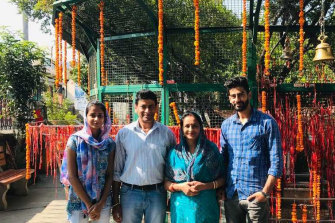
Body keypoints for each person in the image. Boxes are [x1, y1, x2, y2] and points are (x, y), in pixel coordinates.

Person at [220, 76, 283, 223]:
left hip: (256, 195)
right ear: (229, 99)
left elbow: (277, 162)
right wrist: (221, 188)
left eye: (241, 94)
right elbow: (223, 160)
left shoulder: (267, 123)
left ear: (249, 94)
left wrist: (264, 193)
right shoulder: (226, 126)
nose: (237, 99)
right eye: (233, 96)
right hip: (232, 195)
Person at [112, 90, 176, 223]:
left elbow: (172, 169)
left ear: (156, 107)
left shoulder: (166, 134)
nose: (147, 110)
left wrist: (172, 196)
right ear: (136, 108)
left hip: (157, 193)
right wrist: (115, 203)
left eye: (151, 106)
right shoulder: (124, 134)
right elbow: (117, 170)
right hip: (130, 193)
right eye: (143, 106)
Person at [60, 100, 115, 223]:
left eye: (100, 115)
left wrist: (100, 204)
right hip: (78, 200)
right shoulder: (75, 141)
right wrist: (89, 205)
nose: (96, 119)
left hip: (103, 201)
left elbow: (109, 175)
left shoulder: (109, 144)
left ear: (104, 118)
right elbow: (72, 176)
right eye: (92, 115)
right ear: (86, 117)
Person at [165, 111, 225, 223]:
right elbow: (166, 182)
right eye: (187, 126)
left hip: (206, 207)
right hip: (181, 209)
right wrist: (181, 187)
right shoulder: (174, 153)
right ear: (181, 129)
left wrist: (205, 186)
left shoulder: (211, 150)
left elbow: (222, 178)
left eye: (195, 126)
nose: (191, 129)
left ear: (200, 128)